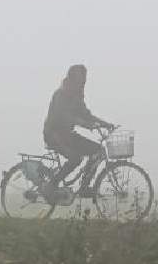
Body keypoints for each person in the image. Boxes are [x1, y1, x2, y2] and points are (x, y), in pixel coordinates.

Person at [43, 64, 114, 193]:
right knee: (76, 158)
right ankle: (52, 185)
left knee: (98, 151)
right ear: (72, 78)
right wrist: (85, 124)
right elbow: (64, 116)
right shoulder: (61, 94)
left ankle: (84, 186)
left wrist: (104, 124)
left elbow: (86, 114)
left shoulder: (77, 95)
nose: (83, 81)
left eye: (84, 78)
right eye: (80, 78)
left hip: (68, 135)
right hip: (54, 135)